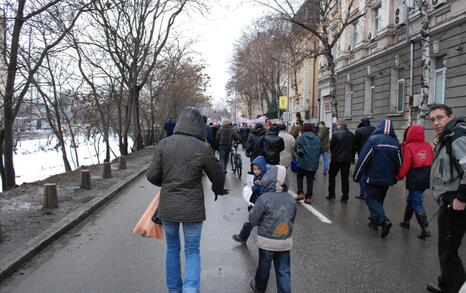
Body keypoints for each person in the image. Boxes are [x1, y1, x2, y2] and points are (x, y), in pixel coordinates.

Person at [146, 107, 226, 293]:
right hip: (193, 209)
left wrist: (167, 184)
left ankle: (174, 290)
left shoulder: (164, 144)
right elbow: (218, 176)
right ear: (199, 125)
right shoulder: (203, 147)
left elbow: (152, 175)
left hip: (168, 208)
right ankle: (191, 289)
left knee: (172, 249)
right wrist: (218, 189)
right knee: (192, 250)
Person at [426, 104, 466, 293]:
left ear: (450, 117)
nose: (436, 123)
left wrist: (461, 199)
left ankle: (457, 288)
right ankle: (445, 284)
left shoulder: (456, 137)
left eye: (440, 117)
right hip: (450, 202)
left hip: (456, 204)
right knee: (447, 248)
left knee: (448, 253)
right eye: (432, 119)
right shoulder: (447, 137)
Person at [248, 165, 297, 293]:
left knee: (264, 268)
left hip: (267, 242)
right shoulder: (291, 200)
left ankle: (259, 288)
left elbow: (253, 220)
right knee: (283, 271)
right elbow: (292, 219)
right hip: (284, 241)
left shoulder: (264, 198)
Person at [353, 119, 401, 238]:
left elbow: (363, 159)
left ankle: (384, 221)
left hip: (372, 176)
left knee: (371, 199)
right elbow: (399, 163)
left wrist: (357, 175)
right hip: (387, 178)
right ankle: (374, 221)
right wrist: (395, 176)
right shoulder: (395, 143)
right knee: (379, 200)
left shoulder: (373, 140)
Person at [395, 125, 433, 239]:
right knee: (412, 199)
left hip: (414, 177)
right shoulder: (427, 145)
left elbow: (406, 165)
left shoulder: (409, 147)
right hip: (425, 176)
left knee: (416, 201)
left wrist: (399, 176)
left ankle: (425, 228)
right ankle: (406, 221)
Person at [232, 156, 268, 244]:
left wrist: (256, 187)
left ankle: (244, 237)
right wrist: (247, 187)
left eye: (258, 169)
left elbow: (264, 191)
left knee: (257, 223)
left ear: (263, 168)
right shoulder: (253, 177)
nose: (256, 171)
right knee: (251, 222)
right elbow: (248, 185)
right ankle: (242, 237)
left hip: (262, 205)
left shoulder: (266, 178)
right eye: (254, 169)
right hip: (254, 204)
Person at [326, 120, 355, 203]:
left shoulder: (335, 134)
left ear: (340, 125)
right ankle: (345, 197)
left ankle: (332, 194)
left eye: (337, 125)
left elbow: (331, 147)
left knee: (332, 176)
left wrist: (333, 154)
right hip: (347, 160)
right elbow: (353, 147)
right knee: (345, 178)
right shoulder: (351, 134)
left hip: (336, 159)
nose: (336, 126)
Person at [294, 123, 321, 205]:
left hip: (302, 162)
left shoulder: (300, 137)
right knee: (310, 180)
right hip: (313, 163)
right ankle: (308, 197)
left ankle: (300, 193)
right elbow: (320, 150)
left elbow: (296, 148)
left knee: (299, 177)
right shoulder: (317, 138)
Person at [354, 118, 375, 199]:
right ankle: (370, 192)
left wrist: (352, 156)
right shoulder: (375, 129)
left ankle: (363, 193)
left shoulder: (359, 130)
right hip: (373, 155)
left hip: (362, 155)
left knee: (362, 174)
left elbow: (355, 144)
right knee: (370, 173)